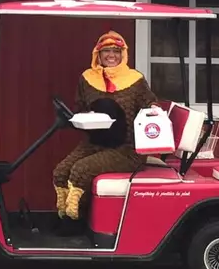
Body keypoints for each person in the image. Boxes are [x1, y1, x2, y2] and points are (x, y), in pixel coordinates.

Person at [52, 30, 157, 227]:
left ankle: (75, 221)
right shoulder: (87, 78)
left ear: (123, 54)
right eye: (106, 51)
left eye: (116, 51)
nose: (111, 55)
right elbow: (80, 106)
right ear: (97, 54)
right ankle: (64, 216)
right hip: (94, 143)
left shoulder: (135, 80)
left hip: (126, 149)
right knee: (61, 171)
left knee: (80, 170)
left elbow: (150, 104)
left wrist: (153, 111)